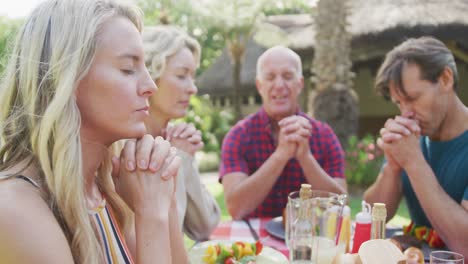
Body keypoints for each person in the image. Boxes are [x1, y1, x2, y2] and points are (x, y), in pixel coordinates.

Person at [0, 0, 187, 263]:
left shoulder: (107, 191)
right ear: (66, 78)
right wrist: (151, 216)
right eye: (128, 69)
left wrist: (162, 199)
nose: (149, 86)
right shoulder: (15, 211)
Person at [364, 36, 468, 256]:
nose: (406, 113)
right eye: (399, 103)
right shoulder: (413, 137)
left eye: (412, 98)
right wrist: (392, 167)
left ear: (446, 79)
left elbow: (465, 245)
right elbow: (370, 216)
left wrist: (413, 162)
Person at [220, 46, 347, 220]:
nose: (279, 85)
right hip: (255, 243)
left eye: (287, 76)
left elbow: (341, 206)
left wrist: (305, 158)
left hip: (308, 241)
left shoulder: (323, 135)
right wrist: (280, 155)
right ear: (259, 85)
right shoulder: (239, 136)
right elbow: (235, 208)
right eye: (270, 77)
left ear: (300, 84)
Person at [142, 25, 220, 240]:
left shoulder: (173, 140)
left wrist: (183, 158)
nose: (193, 88)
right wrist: (178, 157)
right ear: (150, 75)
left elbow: (204, 227)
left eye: (192, 76)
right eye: (181, 75)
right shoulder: (127, 147)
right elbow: (163, 240)